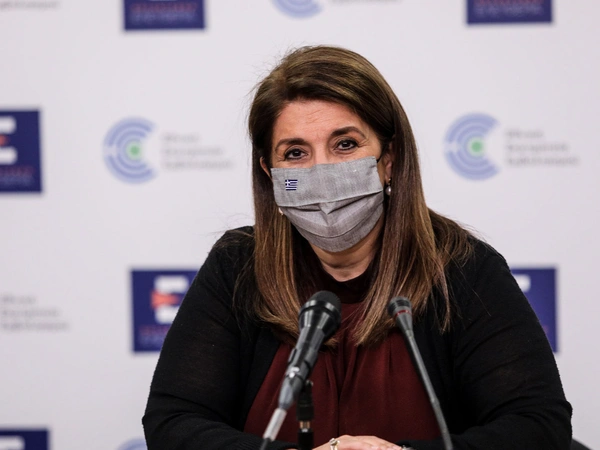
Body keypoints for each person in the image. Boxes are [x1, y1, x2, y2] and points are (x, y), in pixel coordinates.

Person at [142, 45, 572, 450]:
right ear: (270, 173)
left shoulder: (461, 269)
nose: (323, 172)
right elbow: (174, 421)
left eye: (345, 145)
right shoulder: (238, 266)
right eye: (295, 153)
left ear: (389, 159)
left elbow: (538, 426)